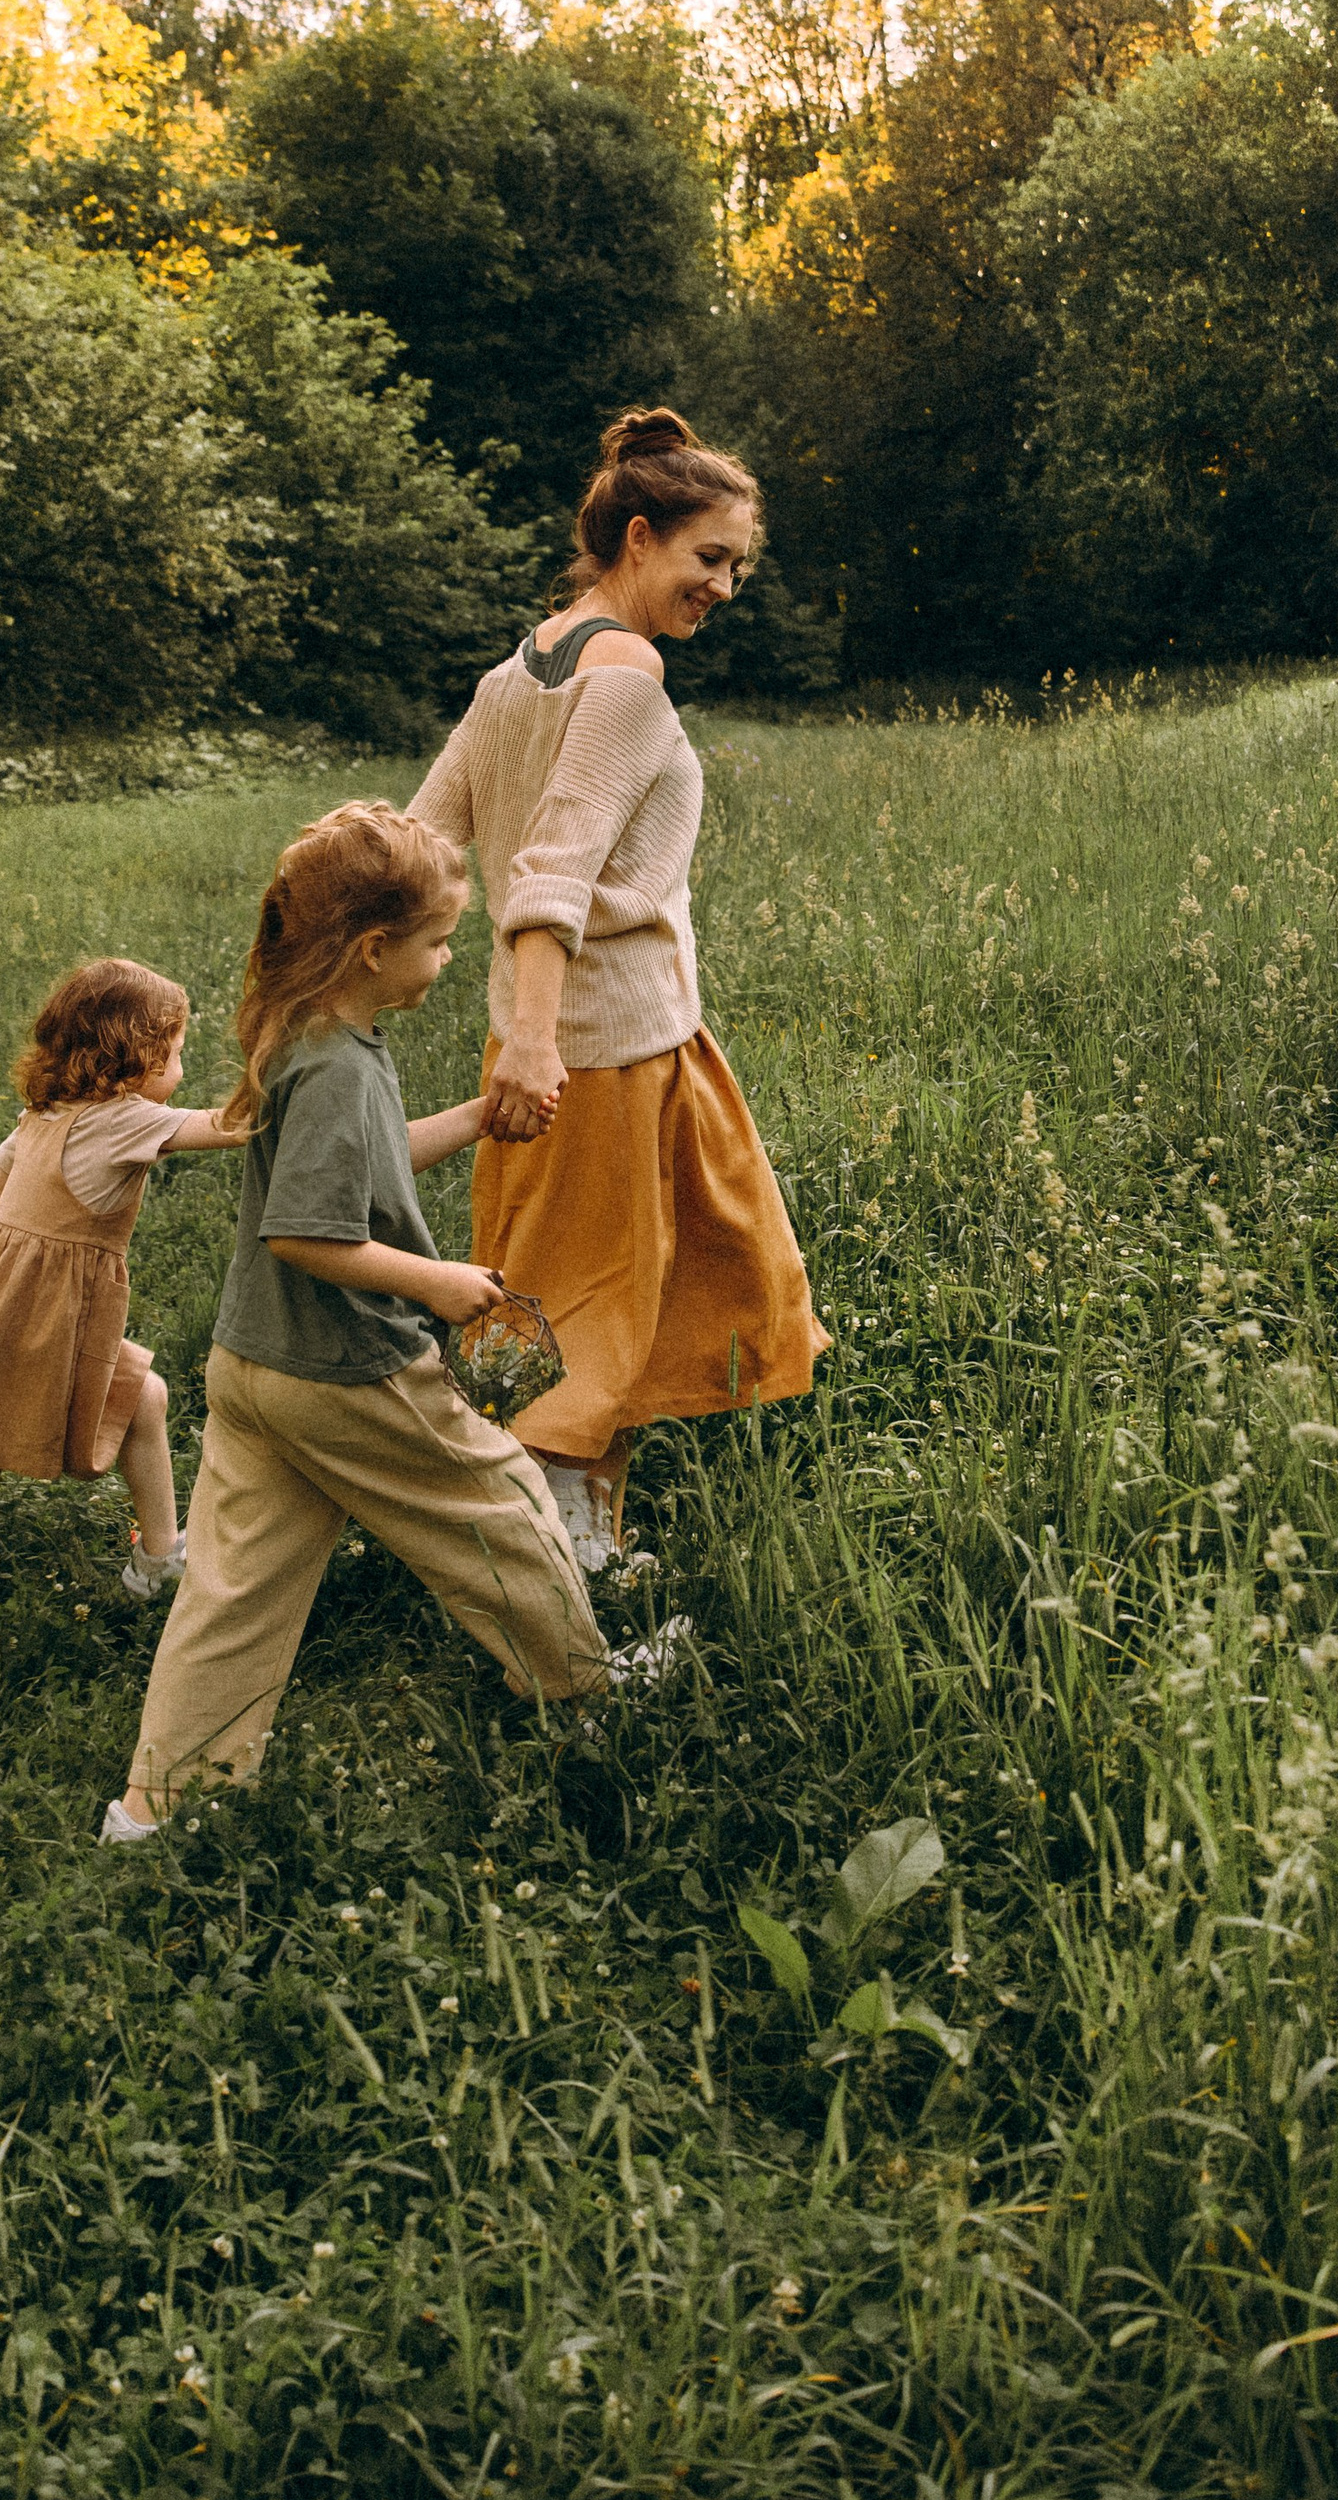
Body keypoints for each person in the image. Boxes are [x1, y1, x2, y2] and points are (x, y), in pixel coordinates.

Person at [101, 801, 610, 1842]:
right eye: (437, 941)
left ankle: (158, 1810)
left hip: (256, 1365)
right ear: (375, 948)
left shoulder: (312, 1033)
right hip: (347, 1364)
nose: (446, 958)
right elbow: (306, 1232)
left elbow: (353, 1176)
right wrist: (435, 1283)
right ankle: (584, 1691)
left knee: (234, 1590)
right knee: (503, 1500)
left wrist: (476, 1119)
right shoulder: (336, 1064)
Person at [409, 405, 826, 1568]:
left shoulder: (516, 671)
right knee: (583, 1313)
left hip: (623, 1044)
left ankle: (570, 1532)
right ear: (636, 537)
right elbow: (550, 868)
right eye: (709, 558)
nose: (726, 586)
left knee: (610, 1295)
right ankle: (562, 1578)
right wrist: (534, 1044)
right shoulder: (627, 676)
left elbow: (421, 844)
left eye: (738, 565)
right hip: (591, 1054)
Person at [0, 956, 239, 1624]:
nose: (182, 1067)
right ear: (137, 1057)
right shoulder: (126, 1118)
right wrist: (281, 1078)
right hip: (43, 1326)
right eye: (176, 1053)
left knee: (142, 1397)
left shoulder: (43, 1113)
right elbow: (226, 1127)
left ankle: (160, 1556)